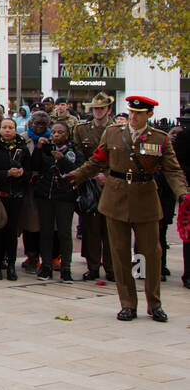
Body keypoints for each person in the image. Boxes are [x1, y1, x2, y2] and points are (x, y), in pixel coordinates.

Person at [67, 96, 188, 322]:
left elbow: (172, 170)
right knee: (120, 254)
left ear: (149, 115)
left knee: (151, 254)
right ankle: (128, 304)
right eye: (131, 112)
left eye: (139, 113)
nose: (133, 117)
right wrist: (76, 176)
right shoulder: (113, 133)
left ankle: (154, 304)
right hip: (116, 198)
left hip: (145, 198)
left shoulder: (160, 139)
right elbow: (97, 161)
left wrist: (183, 193)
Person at [72, 93, 116, 281]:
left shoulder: (117, 130)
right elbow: (79, 155)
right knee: (91, 227)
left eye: (102, 108)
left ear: (109, 110)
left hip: (111, 182)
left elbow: (120, 158)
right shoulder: (82, 129)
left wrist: (106, 175)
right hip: (90, 182)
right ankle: (93, 266)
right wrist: (90, 175)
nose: (98, 112)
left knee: (111, 228)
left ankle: (111, 267)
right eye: (95, 109)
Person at [30, 121, 81, 281]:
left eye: (60, 132)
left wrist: (63, 161)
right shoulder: (46, 149)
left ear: (67, 134)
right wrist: (38, 149)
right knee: (46, 232)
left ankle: (66, 268)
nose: (56, 135)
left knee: (65, 233)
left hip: (65, 197)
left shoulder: (74, 151)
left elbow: (78, 171)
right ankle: (46, 266)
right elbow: (35, 166)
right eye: (54, 132)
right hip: (45, 195)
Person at [0, 116, 30, 281]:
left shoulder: (22, 147)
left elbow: (30, 171)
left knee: (11, 233)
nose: (8, 130)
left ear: (15, 129)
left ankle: (11, 266)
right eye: (4, 127)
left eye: (11, 127)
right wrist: (6, 173)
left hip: (15, 196)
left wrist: (22, 173)